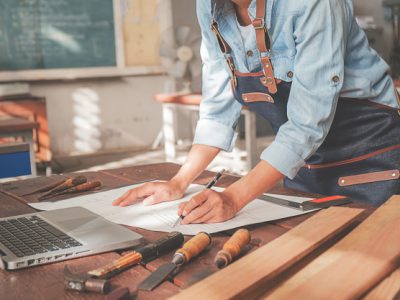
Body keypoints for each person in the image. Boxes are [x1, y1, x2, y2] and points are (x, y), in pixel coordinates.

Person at [113, 0, 400, 224]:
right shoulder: (209, 6)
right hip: (303, 167)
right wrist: (179, 182)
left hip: (368, 162)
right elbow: (217, 107)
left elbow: (306, 125)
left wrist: (234, 198)